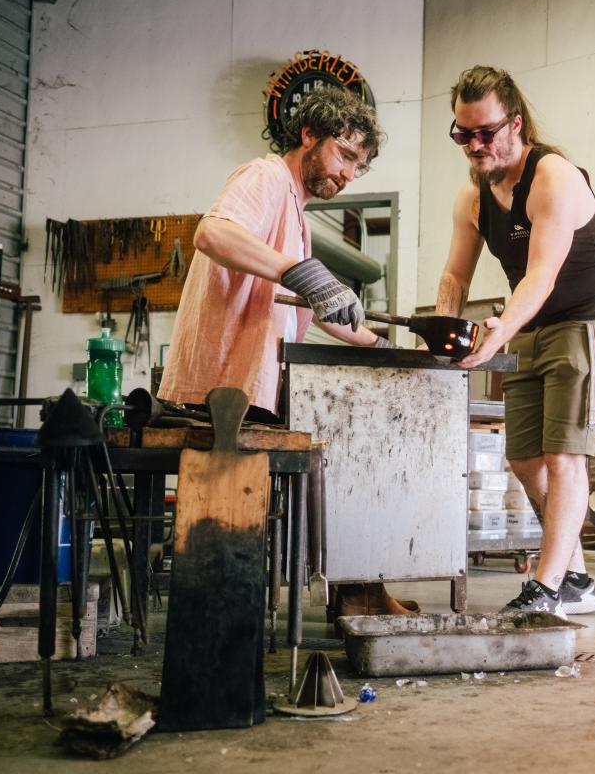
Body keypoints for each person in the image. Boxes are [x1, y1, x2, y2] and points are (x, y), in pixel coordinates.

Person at [159, 86, 415, 616]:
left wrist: (383, 344)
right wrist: (302, 271)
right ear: (308, 135)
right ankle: (351, 594)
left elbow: (317, 308)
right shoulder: (266, 176)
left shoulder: (295, 213)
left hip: (248, 390)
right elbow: (212, 234)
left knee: (342, 454)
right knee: (337, 458)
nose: (348, 175)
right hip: (220, 390)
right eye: (345, 154)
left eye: (359, 168)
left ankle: (355, 590)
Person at [436, 65, 595, 617]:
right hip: (531, 322)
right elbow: (454, 277)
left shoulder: (554, 177)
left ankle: (544, 591)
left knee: (564, 457)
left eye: (486, 132)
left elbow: (540, 275)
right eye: (462, 134)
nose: (474, 145)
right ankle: (578, 577)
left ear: (515, 124)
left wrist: (499, 331)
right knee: (523, 459)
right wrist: (446, 332)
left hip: (582, 319)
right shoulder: (471, 198)